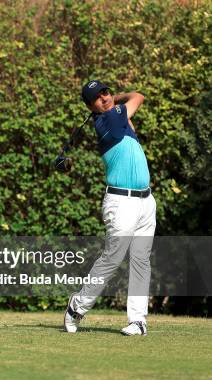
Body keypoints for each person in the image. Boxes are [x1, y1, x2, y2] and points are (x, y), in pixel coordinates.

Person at [64, 80, 156, 336]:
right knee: (112, 258)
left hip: (146, 201)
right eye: (97, 97)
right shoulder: (109, 120)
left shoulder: (117, 118)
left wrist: (115, 98)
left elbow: (130, 112)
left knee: (141, 260)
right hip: (121, 202)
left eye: (105, 92)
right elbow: (138, 96)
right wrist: (120, 97)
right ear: (91, 106)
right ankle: (77, 306)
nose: (104, 98)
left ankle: (138, 321)